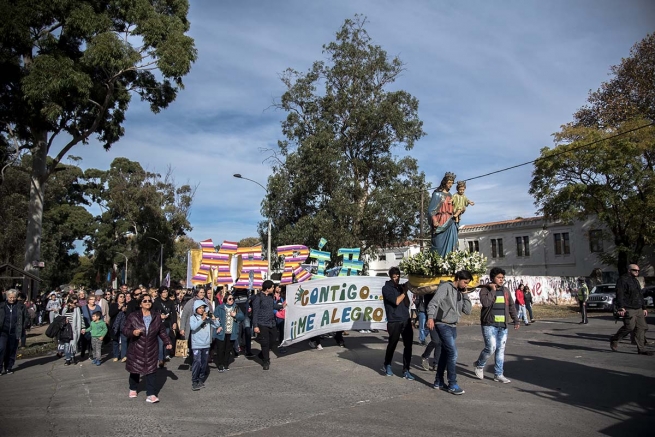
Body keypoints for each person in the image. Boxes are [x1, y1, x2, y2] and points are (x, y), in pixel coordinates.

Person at [426, 270, 473, 394]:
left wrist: (465, 295)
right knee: (453, 353)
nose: (465, 285)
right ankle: (452, 384)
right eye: (464, 282)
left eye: (467, 283)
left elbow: (467, 311)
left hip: (453, 326)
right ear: (457, 278)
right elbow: (433, 302)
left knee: (445, 354)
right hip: (442, 324)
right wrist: (430, 317)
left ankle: (438, 381)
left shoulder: (460, 292)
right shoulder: (446, 287)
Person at [474, 267, 520, 383]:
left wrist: (516, 320)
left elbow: (511, 306)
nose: (501, 280)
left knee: (500, 350)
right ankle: (479, 365)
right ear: (492, 278)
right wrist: (493, 290)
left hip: (503, 326)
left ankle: (498, 374)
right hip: (489, 325)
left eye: (502, 278)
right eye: (498, 277)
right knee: (491, 348)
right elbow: (486, 303)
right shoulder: (485, 290)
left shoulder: (505, 290)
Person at [122, 295, 172, 403]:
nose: (148, 302)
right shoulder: (133, 316)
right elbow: (125, 330)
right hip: (137, 347)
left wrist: (167, 342)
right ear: (140, 304)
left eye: (149, 301)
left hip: (151, 347)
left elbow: (162, 331)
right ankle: (133, 388)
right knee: (135, 369)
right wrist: (132, 332)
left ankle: (151, 394)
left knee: (151, 370)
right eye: (145, 301)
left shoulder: (156, 316)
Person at [610, 264, 653, 355]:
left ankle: (641, 349)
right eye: (635, 270)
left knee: (642, 327)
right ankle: (615, 339)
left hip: (638, 308)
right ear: (629, 270)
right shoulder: (622, 280)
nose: (637, 272)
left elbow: (640, 295)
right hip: (628, 308)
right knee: (629, 327)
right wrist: (621, 307)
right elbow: (619, 294)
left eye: (638, 270)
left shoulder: (635, 280)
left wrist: (644, 308)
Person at [381, 266, 414, 380]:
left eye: (398, 276)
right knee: (393, 344)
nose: (397, 279)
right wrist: (405, 291)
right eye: (394, 277)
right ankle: (387, 364)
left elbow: (406, 302)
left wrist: (406, 289)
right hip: (394, 320)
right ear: (390, 277)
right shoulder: (386, 288)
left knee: (408, 345)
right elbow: (396, 301)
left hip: (405, 319)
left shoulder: (401, 287)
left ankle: (406, 369)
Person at [189, 300, 220, 389]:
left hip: (206, 344)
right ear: (196, 309)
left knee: (204, 363)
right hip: (197, 344)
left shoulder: (207, 318)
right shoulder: (193, 318)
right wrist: (202, 319)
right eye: (199, 308)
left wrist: (214, 319)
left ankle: (200, 380)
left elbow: (216, 325)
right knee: (197, 362)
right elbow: (193, 327)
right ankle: (194, 381)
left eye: (203, 308)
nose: (202, 310)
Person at [428, 172, 458, 256]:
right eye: (449, 183)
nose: (450, 185)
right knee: (439, 246)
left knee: (451, 246)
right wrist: (434, 220)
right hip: (440, 222)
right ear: (444, 182)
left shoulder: (451, 195)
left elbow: (454, 209)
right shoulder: (437, 194)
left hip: (450, 222)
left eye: (452, 183)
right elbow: (431, 210)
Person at [0, 289, 29, 374]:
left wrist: (23, 326)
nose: (12, 299)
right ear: (7, 296)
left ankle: (8, 367)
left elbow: (26, 317)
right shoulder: (2, 306)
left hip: (15, 331)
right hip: (3, 331)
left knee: (12, 349)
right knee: (1, 348)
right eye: (10, 297)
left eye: (14, 297)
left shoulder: (20, 306)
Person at [214, 293, 244, 372]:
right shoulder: (220, 308)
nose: (232, 300)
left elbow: (242, 317)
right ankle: (220, 364)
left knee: (228, 349)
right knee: (221, 349)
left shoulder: (235, 307)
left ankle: (225, 364)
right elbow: (214, 317)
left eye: (233, 299)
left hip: (231, 332)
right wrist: (218, 326)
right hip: (222, 332)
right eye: (230, 299)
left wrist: (236, 315)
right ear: (226, 300)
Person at [252, 280, 277, 370]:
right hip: (262, 323)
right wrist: (255, 326)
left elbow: (273, 306)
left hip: (271, 323)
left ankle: (262, 354)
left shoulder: (271, 296)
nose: (273, 289)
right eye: (272, 287)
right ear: (267, 288)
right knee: (265, 343)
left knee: (273, 339)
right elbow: (255, 312)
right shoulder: (258, 297)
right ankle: (266, 361)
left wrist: (282, 306)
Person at [154, 287, 177, 367]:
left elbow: (174, 313)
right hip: (159, 324)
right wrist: (159, 316)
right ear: (160, 293)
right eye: (163, 292)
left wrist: (174, 322)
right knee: (160, 342)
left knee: (165, 342)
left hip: (167, 324)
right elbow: (152, 312)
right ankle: (160, 359)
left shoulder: (170, 302)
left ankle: (163, 357)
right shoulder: (156, 301)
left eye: (166, 292)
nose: (165, 293)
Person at [80, 294, 103, 361]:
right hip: (86, 326)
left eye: (94, 299)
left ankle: (91, 354)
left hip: (95, 327)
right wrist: (82, 327)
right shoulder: (84, 308)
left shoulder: (98, 307)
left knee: (92, 341)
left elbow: (101, 317)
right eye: (91, 299)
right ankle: (83, 350)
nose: (93, 301)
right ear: (88, 300)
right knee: (84, 341)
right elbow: (81, 317)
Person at [60, 297, 82, 365]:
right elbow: (60, 317)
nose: (76, 304)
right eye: (74, 303)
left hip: (74, 329)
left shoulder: (77, 309)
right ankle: (67, 359)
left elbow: (80, 319)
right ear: (69, 303)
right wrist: (64, 321)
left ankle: (73, 357)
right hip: (66, 329)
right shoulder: (64, 309)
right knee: (66, 345)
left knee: (73, 344)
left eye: (76, 302)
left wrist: (82, 328)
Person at [109, 292, 129, 362]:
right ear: (117, 298)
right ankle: (116, 355)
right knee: (115, 341)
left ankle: (124, 356)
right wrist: (118, 309)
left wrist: (126, 310)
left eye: (123, 297)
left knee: (124, 340)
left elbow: (129, 314)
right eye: (121, 296)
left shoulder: (126, 305)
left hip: (124, 325)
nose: (122, 298)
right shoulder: (113, 305)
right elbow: (110, 314)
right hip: (115, 325)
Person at [273, 285, 288, 353]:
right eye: (277, 287)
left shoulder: (282, 296)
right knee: (274, 332)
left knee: (282, 331)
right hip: (275, 316)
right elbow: (272, 306)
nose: (279, 289)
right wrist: (276, 313)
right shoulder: (272, 297)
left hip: (282, 316)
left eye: (280, 287)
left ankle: (282, 345)